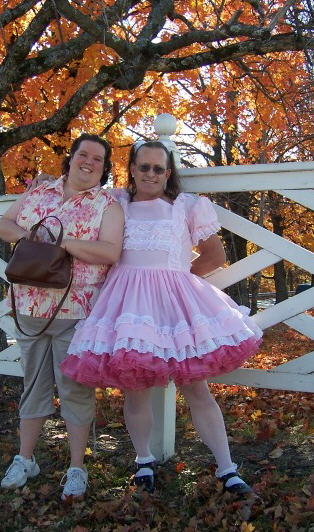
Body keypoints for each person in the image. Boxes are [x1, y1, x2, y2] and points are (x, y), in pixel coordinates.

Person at [60, 140, 263, 495]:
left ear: (168, 173)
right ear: (133, 169)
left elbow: (214, 257)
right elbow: (76, 192)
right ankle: (144, 461)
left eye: (158, 168)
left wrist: (177, 279)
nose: (150, 174)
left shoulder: (186, 206)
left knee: (196, 388)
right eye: (143, 167)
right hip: (126, 308)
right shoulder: (116, 202)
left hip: (174, 305)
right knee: (135, 390)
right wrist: (48, 181)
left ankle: (227, 468)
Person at [0, 133, 124, 500]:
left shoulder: (107, 205)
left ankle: (76, 467)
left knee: (74, 390)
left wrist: (63, 244)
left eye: (98, 159)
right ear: (70, 158)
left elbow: (110, 252)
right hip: (29, 309)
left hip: (76, 313)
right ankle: (25, 459)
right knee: (33, 386)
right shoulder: (38, 192)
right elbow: (3, 227)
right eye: (83, 154)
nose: (89, 162)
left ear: (104, 167)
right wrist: (31, 237)